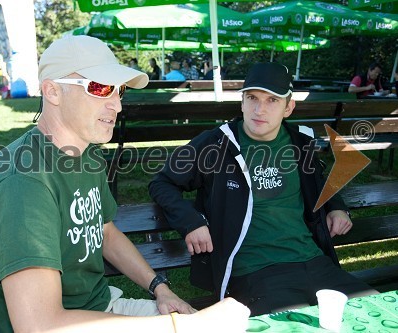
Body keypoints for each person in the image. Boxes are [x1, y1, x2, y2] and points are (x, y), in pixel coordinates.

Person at [0, 35, 250, 332]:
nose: (116, 104)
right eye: (100, 87)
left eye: (119, 90)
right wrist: (180, 327)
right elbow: (39, 325)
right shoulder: (24, 182)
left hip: (99, 309)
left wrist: (160, 288)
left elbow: (104, 231)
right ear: (52, 91)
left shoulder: (86, 153)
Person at [149, 62, 378, 317]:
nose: (260, 109)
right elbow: (162, 182)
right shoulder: (216, 144)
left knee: (378, 311)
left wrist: (336, 207)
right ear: (242, 102)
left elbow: (319, 181)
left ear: (288, 107)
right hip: (255, 272)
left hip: (314, 261)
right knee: (297, 325)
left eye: (272, 100)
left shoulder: (299, 142)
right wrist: (191, 221)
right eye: (252, 98)